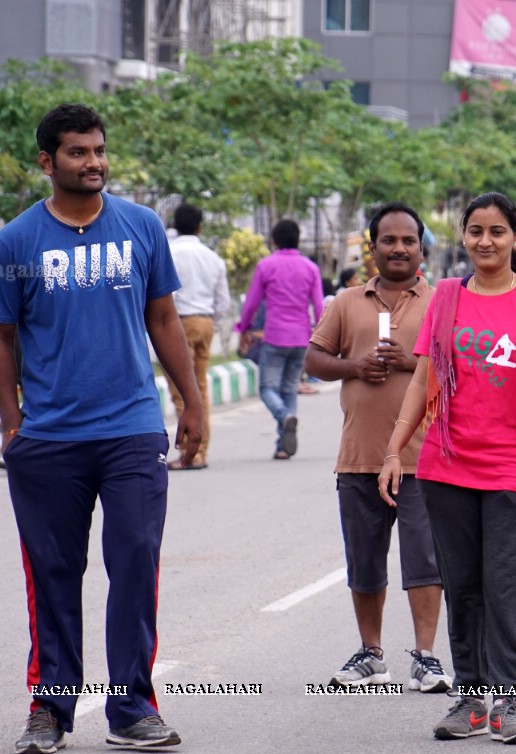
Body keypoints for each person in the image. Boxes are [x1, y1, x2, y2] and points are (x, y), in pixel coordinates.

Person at [0, 103, 203, 754]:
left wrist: (190, 402)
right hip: (48, 438)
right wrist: (13, 423)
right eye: (78, 152)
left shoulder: (140, 227)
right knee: (53, 572)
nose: (94, 161)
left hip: (131, 427)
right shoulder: (19, 240)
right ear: (48, 162)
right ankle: (50, 709)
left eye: (100, 150)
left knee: (134, 559)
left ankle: (132, 707)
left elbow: (164, 318)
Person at [379, 192, 516, 745]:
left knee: (507, 587)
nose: (485, 241)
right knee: (463, 586)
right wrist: (395, 450)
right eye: (475, 231)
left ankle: (508, 700)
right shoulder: (444, 298)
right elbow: (422, 379)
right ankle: (469, 696)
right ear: (463, 236)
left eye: (497, 231)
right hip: (446, 466)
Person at [304, 203, 451, 694]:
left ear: (421, 247)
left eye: (408, 240)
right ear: (373, 247)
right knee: (364, 561)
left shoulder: (443, 303)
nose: (399, 248)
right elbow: (315, 358)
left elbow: (458, 371)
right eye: (388, 240)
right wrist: (355, 366)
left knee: (424, 560)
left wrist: (413, 362)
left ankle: (426, 657)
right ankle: (371, 654)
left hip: (422, 458)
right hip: (360, 457)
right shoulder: (347, 302)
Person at [233, 220, 324, 459]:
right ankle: (283, 447)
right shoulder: (310, 268)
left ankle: (284, 417)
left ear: (273, 241)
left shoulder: (266, 265)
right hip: (302, 337)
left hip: (274, 336)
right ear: (298, 239)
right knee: (290, 389)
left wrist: (244, 327)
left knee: (266, 388)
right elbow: (318, 305)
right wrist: (322, 335)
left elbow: (252, 302)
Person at [164, 202, 230, 470]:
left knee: (182, 388)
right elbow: (223, 302)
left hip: (178, 323)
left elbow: (167, 296)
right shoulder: (212, 256)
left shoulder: (171, 253)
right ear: (200, 227)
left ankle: (192, 453)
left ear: (174, 226)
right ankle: (201, 450)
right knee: (199, 387)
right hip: (205, 322)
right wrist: (211, 322)